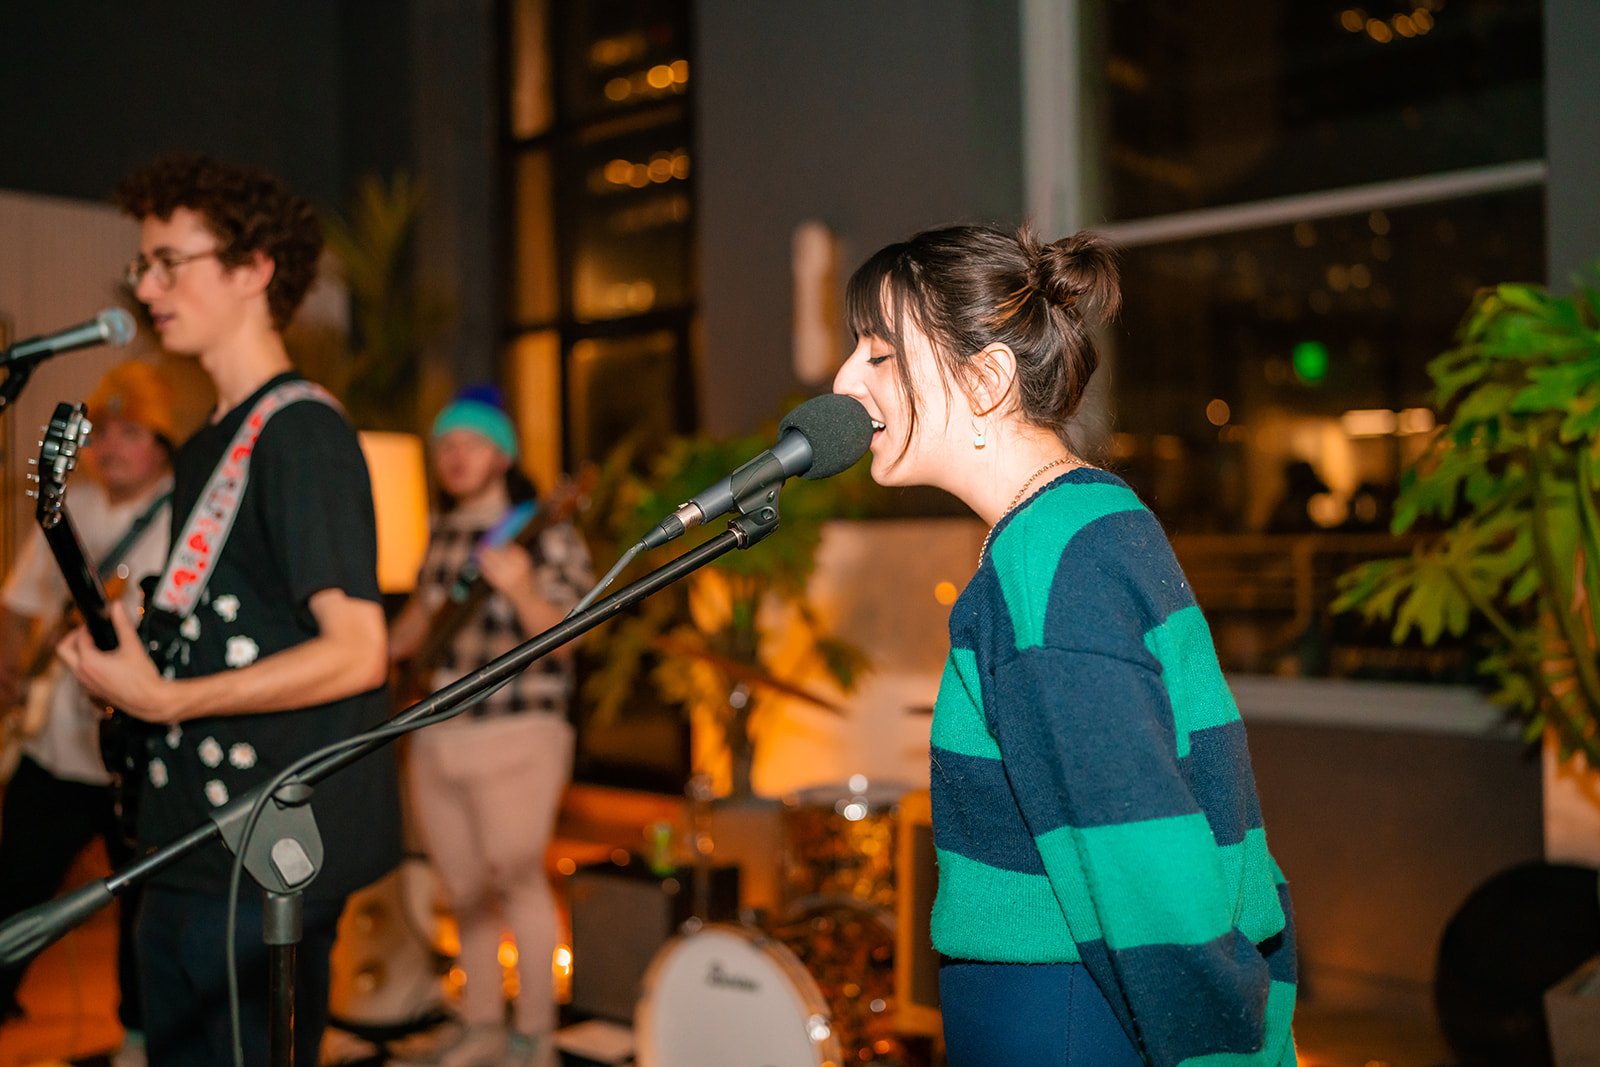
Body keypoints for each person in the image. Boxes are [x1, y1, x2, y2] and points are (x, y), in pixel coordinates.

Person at [831, 224, 1297, 1065]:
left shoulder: (1050, 560)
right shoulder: (1079, 525)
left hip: (1070, 1020)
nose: (843, 380)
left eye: (879, 353)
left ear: (984, 378)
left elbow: (1149, 869)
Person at [57, 153, 402, 1067]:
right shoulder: (215, 438)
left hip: (262, 848)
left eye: (173, 261)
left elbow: (357, 651)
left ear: (254, 269)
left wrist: (168, 700)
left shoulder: (302, 432)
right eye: (143, 265)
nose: (148, 286)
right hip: (186, 838)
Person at [388, 386, 591, 1067]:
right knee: (462, 886)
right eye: (445, 444)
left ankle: (534, 1034)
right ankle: (479, 1021)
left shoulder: (545, 529)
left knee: (517, 877)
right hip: (437, 732)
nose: (454, 456)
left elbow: (570, 641)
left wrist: (522, 587)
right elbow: (418, 626)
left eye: (469, 443)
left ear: (502, 453)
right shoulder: (442, 531)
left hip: (518, 732)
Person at [0, 361, 177, 1066]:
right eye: (103, 432)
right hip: (61, 742)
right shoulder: (72, 504)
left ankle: (138, 1034)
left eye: (131, 431)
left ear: (162, 441)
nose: (112, 446)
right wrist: (10, 670)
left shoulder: (184, 515)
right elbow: (17, 601)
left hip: (139, 745)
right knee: (15, 880)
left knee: (143, 900)